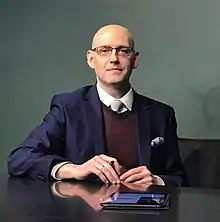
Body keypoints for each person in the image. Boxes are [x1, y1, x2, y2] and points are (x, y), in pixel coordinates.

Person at [8, 24, 187, 186]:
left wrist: (157, 180)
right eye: (104, 50)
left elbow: (179, 178)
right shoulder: (68, 107)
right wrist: (74, 170)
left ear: (135, 60)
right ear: (90, 59)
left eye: (123, 51)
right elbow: (19, 159)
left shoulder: (162, 114)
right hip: (84, 215)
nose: (114, 58)